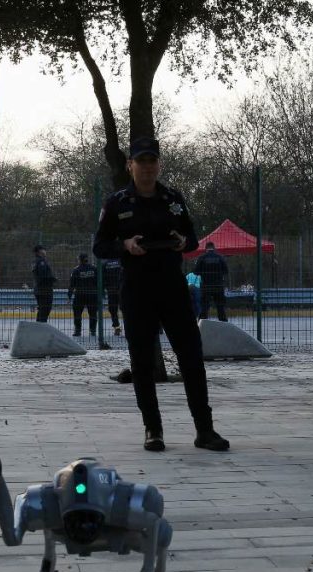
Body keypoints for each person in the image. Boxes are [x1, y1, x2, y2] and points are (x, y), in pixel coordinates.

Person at [93, 136, 229, 452]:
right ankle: (153, 429)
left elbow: (194, 238)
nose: (147, 167)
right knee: (142, 363)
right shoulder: (117, 203)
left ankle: (205, 430)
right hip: (137, 288)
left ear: (159, 164)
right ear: (130, 165)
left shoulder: (173, 198)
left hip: (173, 287)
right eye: (141, 161)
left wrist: (185, 242)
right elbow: (99, 246)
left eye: (152, 161)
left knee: (192, 359)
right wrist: (124, 246)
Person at [193, 242, 229, 321]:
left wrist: (203, 272)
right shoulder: (220, 257)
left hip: (206, 286)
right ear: (214, 248)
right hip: (218, 285)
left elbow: (195, 272)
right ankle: (223, 324)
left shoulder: (201, 257)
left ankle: (202, 326)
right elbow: (226, 271)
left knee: (204, 307)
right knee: (220, 307)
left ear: (206, 249)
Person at [68, 252, 99, 337]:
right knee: (93, 313)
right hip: (92, 294)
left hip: (80, 295)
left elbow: (72, 284)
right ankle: (93, 331)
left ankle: (78, 331)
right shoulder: (94, 268)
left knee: (77, 313)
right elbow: (98, 282)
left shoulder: (76, 270)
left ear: (79, 260)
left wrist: (69, 295)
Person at [31, 245, 56, 322]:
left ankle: (39, 326)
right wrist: (53, 279)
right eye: (44, 250)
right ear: (40, 251)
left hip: (39, 289)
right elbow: (43, 276)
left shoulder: (35, 261)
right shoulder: (41, 262)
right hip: (45, 290)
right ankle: (41, 326)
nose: (45, 251)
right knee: (45, 309)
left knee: (42, 309)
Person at [102, 257, 123, 335]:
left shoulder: (105, 263)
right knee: (125, 309)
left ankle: (116, 327)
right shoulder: (121, 261)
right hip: (122, 289)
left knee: (113, 310)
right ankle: (128, 327)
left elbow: (102, 278)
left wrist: (103, 290)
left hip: (111, 290)